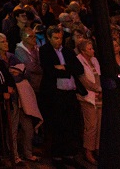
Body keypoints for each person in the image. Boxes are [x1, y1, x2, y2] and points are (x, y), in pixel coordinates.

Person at [39, 26, 83, 167]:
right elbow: (49, 70)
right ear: (49, 38)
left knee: (71, 125)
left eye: (60, 38)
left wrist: (63, 67)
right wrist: (65, 69)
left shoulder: (67, 51)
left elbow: (78, 68)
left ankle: (69, 154)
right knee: (57, 126)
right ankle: (57, 157)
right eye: (56, 38)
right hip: (55, 94)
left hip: (69, 93)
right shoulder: (45, 50)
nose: (59, 41)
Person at [75, 38, 102, 165]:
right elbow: (83, 80)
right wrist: (97, 88)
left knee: (99, 124)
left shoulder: (95, 60)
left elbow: (98, 76)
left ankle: (97, 149)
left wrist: (101, 89)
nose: (93, 51)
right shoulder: (78, 60)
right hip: (87, 98)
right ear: (83, 51)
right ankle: (88, 151)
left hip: (99, 97)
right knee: (91, 126)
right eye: (90, 49)